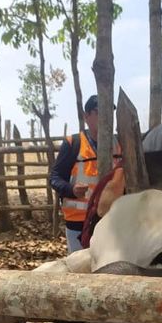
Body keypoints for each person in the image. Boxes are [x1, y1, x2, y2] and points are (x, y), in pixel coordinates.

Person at [50, 94, 120, 252]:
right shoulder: (73, 143)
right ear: (86, 116)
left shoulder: (119, 144)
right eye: (99, 112)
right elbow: (54, 177)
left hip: (112, 219)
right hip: (78, 222)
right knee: (79, 265)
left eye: (109, 113)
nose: (105, 118)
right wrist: (72, 190)